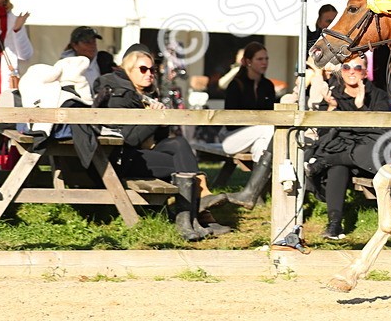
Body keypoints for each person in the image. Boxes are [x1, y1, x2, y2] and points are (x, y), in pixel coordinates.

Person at [95, 49, 231, 241]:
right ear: (129, 70)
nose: (149, 73)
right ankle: (193, 217)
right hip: (122, 158)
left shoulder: (143, 94)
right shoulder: (122, 96)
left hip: (139, 154)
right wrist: (154, 118)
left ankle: (196, 209)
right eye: (143, 69)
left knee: (178, 143)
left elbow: (155, 137)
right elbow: (130, 139)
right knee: (183, 165)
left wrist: (161, 123)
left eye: (152, 69)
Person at [305, 53, 391, 241]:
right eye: (346, 67)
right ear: (341, 71)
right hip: (344, 152)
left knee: (357, 150)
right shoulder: (333, 95)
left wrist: (361, 107)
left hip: (369, 160)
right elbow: (323, 133)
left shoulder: (378, 96)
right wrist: (331, 109)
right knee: (338, 166)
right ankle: (334, 224)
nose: (351, 72)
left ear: (365, 72)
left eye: (357, 68)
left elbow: (378, 134)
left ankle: (323, 161)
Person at [222, 42, 275, 210]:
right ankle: (254, 191)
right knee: (267, 131)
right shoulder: (236, 85)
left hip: (257, 137)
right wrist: (257, 122)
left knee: (262, 144)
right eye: (260, 59)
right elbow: (230, 122)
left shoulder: (268, 86)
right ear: (248, 61)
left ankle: (254, 193)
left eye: (266, 58)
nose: (264, 62)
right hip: (231, 138)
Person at [59, 26, 104, 92]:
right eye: (87, 42)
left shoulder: (103, 61)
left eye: (94, 41)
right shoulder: (65, 66)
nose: (92, 46)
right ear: (75, 45)